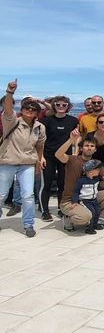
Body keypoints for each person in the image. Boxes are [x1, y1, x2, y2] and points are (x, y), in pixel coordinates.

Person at [0, 79, 46, 237]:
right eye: (27, 107)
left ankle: (28, 224)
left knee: (28, 195)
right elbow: (7, 109)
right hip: (8, 162)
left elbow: (40, 145)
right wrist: (9, 92)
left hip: (27, 163)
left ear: (37, 113)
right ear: (22, 109)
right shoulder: (12, 121)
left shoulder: (40, 127)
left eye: (34, 109)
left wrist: (39, 161)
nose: (30, 110)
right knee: (1, 194)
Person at [55, 131, 104, 231]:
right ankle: (69, 218)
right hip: (70, 201)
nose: (89, 147)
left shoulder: (97, 163)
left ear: (95, 149)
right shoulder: (72, 160)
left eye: (92, 146)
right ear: (81, 148)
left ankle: (93, 217)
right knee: (85, 217)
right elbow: (58, 155)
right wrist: (71, 140)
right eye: (86, 145)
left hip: (88, 199)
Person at [40, 96, 79, 221]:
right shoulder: (47, 121)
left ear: (68, 106)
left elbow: (76, 138)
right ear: (54, 106)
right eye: (58, 104)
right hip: (48, 156)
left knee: (63, 184)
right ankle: (45, 210)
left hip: (65, 157)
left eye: (64, 105)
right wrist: (41, 157)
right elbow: (40, 141)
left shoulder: (73, 120)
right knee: (46, 184)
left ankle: (61, 208)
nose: (61, 107)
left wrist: (75, 153)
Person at [72, 159, 104, 234]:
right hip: (85, 200)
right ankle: (90, 228)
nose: (99, 170)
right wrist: (74, 201)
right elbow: (76, 191)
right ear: (90, 172)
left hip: (94, 199)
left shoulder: (96, 179)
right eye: (97, 169)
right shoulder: (82, 181)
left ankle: (95, 224)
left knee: (97, 211)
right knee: (92, 212)